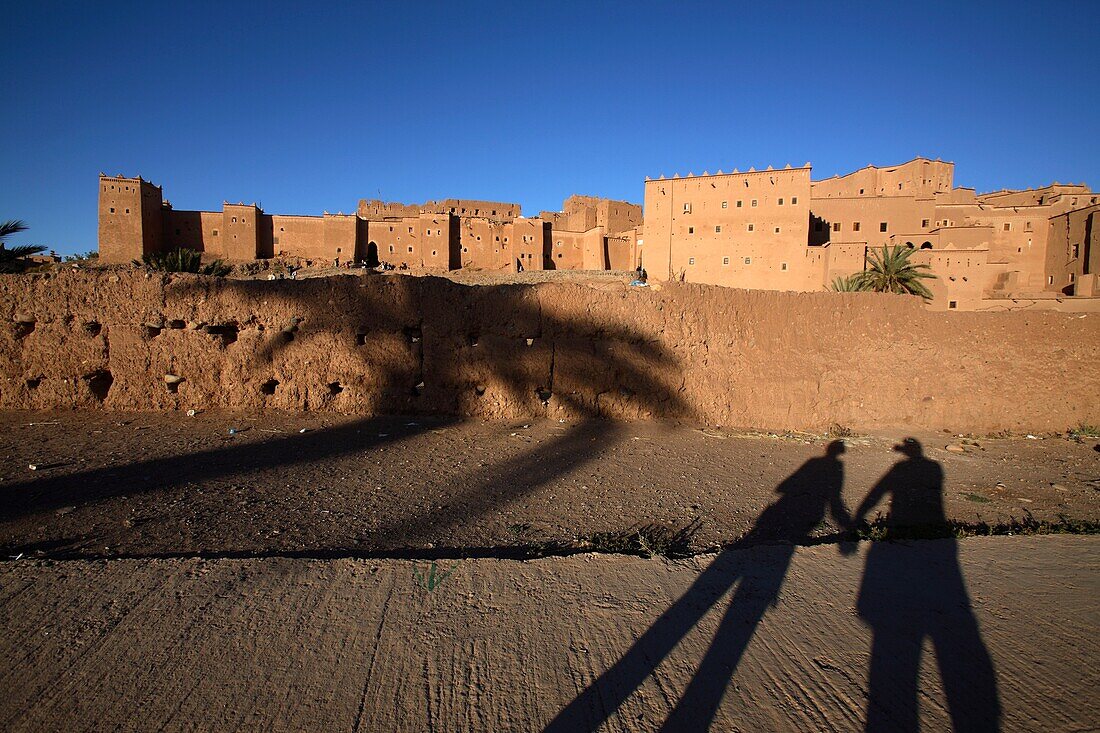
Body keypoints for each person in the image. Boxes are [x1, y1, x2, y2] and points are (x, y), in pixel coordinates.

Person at [853, 438, 999, 732]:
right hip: (942, 552)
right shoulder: (933, 467)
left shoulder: (909, 467)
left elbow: (878, 491)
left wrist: (859, 515)